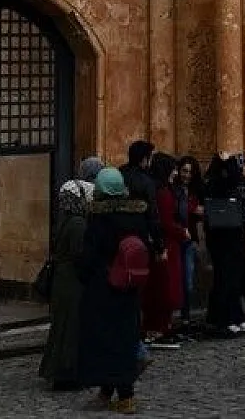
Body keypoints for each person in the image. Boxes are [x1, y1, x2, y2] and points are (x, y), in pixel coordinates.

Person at [76, 167, 149, 414]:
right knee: (125, 337)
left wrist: (84, 276)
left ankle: (123, 394)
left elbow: (89, 257)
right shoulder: (136, 217)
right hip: (129, 287)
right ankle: (110, 392)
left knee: (106, 340)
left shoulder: (99, 219)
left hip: (103, 288)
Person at [37, 178, 93, 390]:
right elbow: (79, 254)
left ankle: (60, 372)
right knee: (69, 328)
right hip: (71, 281)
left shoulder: (67, 220)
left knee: (62, 327)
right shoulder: (78, 223)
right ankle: (66, 374)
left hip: (64, 279)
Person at [201, 153, 245, 336]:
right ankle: (224, 318)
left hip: (236, 237)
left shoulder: (240, 186)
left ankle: (235, 316)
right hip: (223, 238)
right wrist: (225, 162)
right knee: (225, 279)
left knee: (235, 278)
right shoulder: (219, 184)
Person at [142, 152, 185, 345]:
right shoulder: (164, 193)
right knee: (165, 287)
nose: (175, 173)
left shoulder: (155, 190)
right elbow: (166, 223)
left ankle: (155, 327)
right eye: (173, 169)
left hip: (160, 244)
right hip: (167, 245)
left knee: (158, 287)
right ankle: (159, 328)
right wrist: (182, 232)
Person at [174, 155, 204, 327]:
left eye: (190, 172)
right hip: (176, 238)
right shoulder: (174, 190)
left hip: (189, 239)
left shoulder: (195, 192)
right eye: (184, 171)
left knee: (188, 281)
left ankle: (185, 315)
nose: (187, 175)